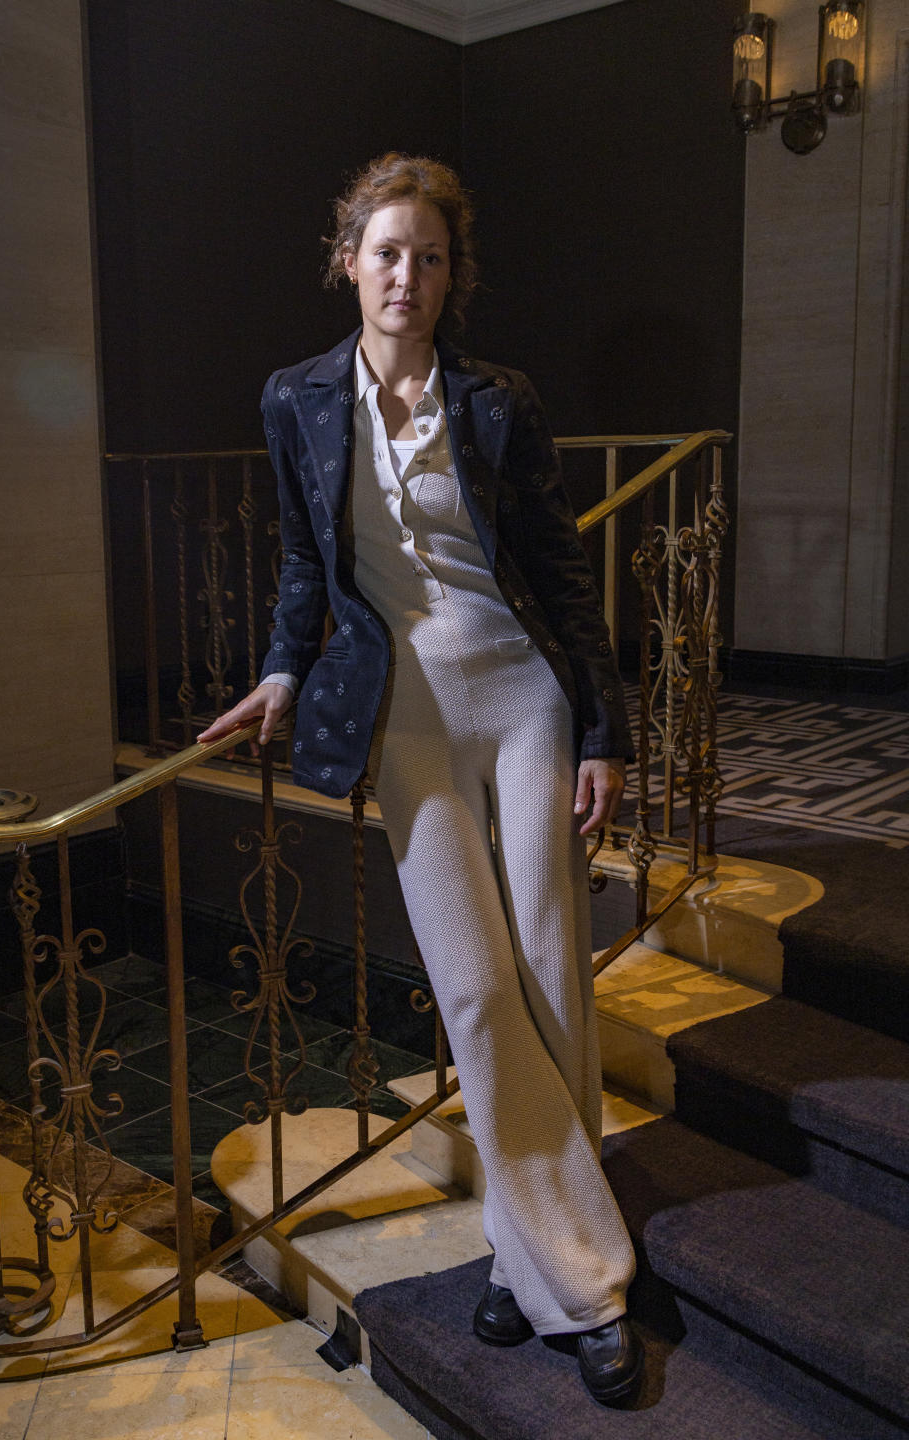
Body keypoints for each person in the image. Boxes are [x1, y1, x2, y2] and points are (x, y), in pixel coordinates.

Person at [198, 152, 643, 1407]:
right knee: (471, 985)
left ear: (453, 276)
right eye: (387, 251)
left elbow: (560, 574)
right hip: (403, 720)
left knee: (551, 969)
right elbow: (302, 565)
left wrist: (604, 729)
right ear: (349, 260)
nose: (407, 275)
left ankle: (534, 1252)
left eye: (430, 256)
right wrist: (284, 672)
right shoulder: (296, 399)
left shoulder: (499, 400)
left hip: (524, 704)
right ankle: (590, 1279)